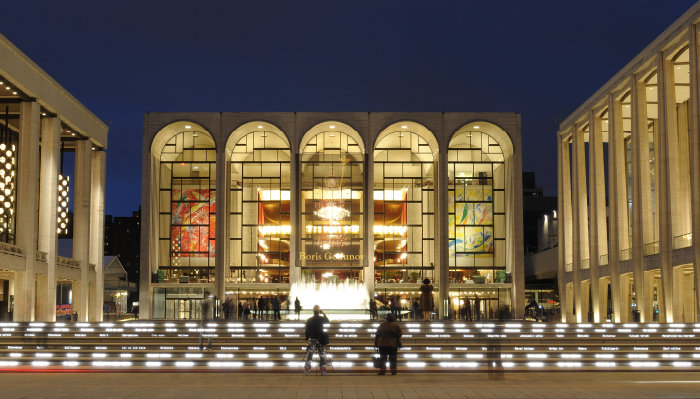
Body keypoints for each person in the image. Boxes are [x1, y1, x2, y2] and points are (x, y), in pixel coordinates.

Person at [304, 305, 330, 376]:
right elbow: (327, 321)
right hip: (321, 340)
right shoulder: (322, 319)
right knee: (322, 356)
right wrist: (323, 313)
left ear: (313, 311)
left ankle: (307, 371)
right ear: (319, 311)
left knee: (309, 356)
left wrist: (307, 338)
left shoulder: (309, 320)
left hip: (312, 340)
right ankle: (323, 371)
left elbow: (307, 331)